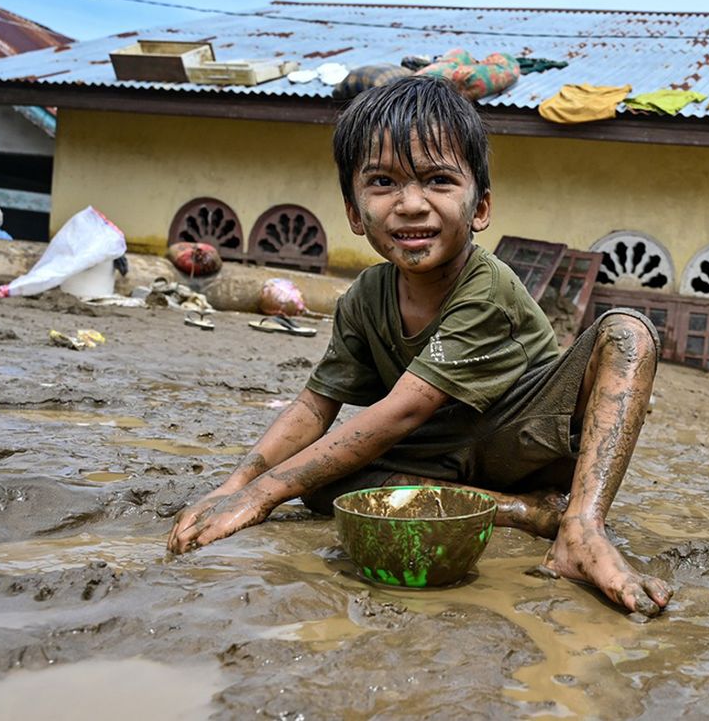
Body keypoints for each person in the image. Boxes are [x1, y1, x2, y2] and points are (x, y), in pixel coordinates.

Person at [167, 75, 671, 617]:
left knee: (627, 330)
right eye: (383, 182)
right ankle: (525, 514)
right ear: (355, 213)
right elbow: (316, 405)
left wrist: (264, 493)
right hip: (442, 459)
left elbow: (403, 411)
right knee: (321, 488)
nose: (411, 204)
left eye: (438, 180)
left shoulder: (487, 286)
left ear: (479, 208)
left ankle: (579, 527)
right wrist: (237, 484)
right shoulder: (364, 296)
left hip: (524, 442)